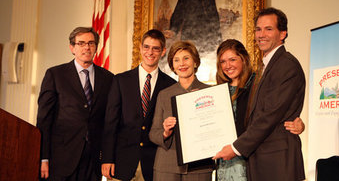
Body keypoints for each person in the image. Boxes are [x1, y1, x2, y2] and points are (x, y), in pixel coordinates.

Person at [213, 8, 306, 181]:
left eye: (268, 29)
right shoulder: (267, 66)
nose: (261, 34)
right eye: (258, 29)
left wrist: (235, 148)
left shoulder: (286, 66)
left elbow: (269, 115)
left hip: (277, 164)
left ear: (282, 33)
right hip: (262, 161)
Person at [36, 27, 114, 181]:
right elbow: (44, 120)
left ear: (96, 47)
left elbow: (109, 122)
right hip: (60, 160)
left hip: (92, 162)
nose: (87, 47)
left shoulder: (108, 78)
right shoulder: (55, 75)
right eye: (81, 43)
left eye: (91, 43)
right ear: (72, 48)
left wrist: (107, 156)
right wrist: (43, 158)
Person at [101, 29, 176, 181]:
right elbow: (110, 123)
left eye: (156, 48)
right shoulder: (121, 81)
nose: (150, 52)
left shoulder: (170, 85)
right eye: (147, 47)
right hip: (121, 162)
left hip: (154, 163)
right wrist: (107, 158)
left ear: (163, 51)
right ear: (140, 48)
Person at [149, 41, 214, 181]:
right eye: (176, 60)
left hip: (199, 167)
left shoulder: (209, 93)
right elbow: (153, 133)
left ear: (195, 62)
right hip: (166, 166)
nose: (182, 64)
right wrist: (165, 132)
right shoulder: (164, 94)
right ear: (172, 66)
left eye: (186, 58)